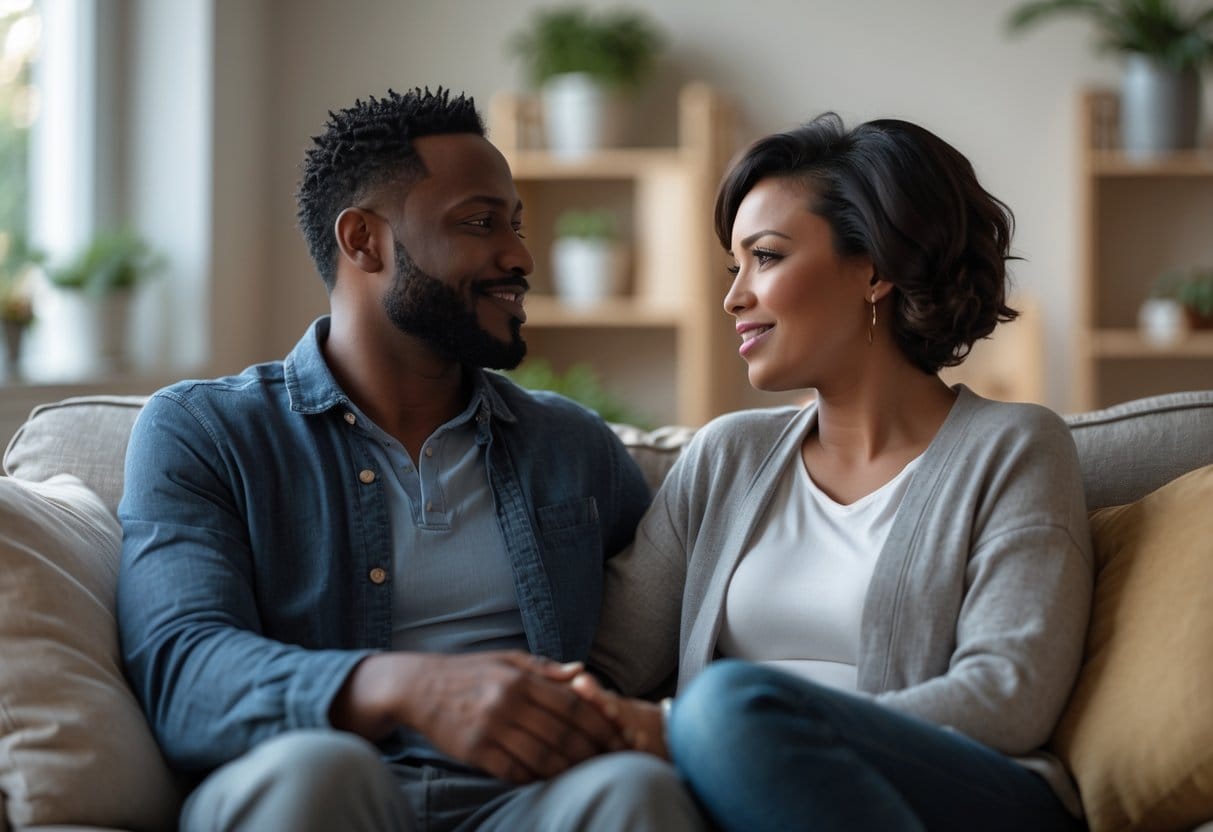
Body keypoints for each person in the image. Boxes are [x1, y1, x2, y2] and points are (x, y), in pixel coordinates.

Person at [116, 87, 704, 832]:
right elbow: (184, 673)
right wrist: (403, 687)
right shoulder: (208, 432)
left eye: (515, 225)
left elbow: (679, 638)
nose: (519, 256)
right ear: (364, 240)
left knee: (632, 791)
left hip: (525, 806)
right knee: (321, 770)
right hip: (322, 788)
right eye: (479, 222)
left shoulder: (572, 446)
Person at [579, 113, 1094, 831]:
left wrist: (713, 729)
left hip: (969, 797)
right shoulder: (726, 457)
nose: (734, 297)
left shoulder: (1013, 447)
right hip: (740, 791)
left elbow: (1007, 696)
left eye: (765, 256)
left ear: (874, 269)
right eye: (735, 268)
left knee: (727, 707)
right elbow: (606, 660)